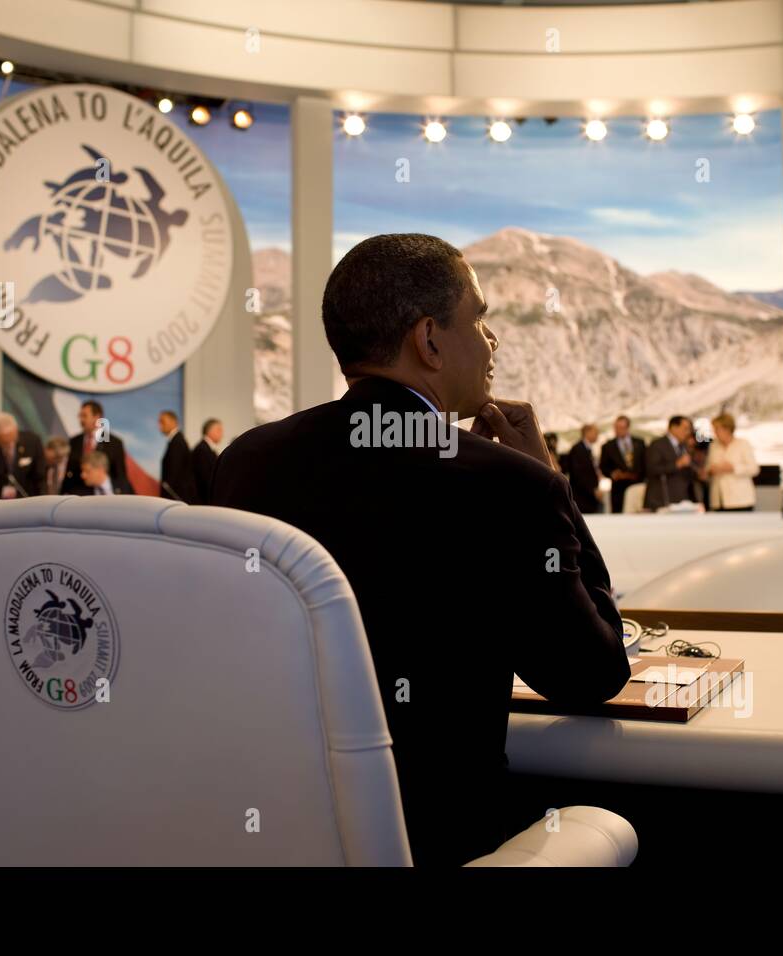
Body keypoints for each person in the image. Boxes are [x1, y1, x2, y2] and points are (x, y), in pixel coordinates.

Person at [211, 233, 628, 866]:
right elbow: (590, 675)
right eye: (480, 320)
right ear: (429, 340)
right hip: (445, 840)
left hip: (271, 837)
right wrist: (553, 485)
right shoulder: (508, 485)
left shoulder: (246, 462)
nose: (493, 342)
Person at [62, 401, 130, 495]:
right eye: (80, 416)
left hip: (104, 498)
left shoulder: (114, 443)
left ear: (97, 417)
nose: (81, 420)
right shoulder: (74, 442)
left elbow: (120, 475)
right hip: (78, 498)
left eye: (84, 416)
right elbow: (69, 473)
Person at [0, 413, 47, 499]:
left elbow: (40, 477)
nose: (9, 445)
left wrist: (41, 501)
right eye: (4, 443)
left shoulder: (32, 442)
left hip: (28, 498)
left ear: (16, 430)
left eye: (12, 440)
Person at [702, 413, 759, 511]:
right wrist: (710, 471)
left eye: (717, 429)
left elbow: (754, 469)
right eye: (714, 429)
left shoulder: (743, 444)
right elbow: (708, 467)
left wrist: (733, 468)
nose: (715, 432)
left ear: (727, 429)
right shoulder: (714, 446)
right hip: (718, 500)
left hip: (740, 500)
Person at [643, 415, 696, 510]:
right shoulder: (658, 445)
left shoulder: (684, 446)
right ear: (674, 428)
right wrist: (677, 464)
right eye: (685, 428)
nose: (688, 432)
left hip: (682, 500)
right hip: (661, 499)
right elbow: (652, 469)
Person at [598, 415, 645, 513]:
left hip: (637, 485)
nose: (618, 430)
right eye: (616, 428)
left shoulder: (640, 443)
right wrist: (612, 474)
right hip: (618, 489)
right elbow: (603, 467)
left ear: (627, 428)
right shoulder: (607, 446)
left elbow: (644, 463)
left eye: (621, 428)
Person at [158, 410, 198, 503]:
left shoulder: (177, 442)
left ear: (173, 422)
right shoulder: (175, 441)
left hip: (177, 498)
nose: (159, 426)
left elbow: (174, 475)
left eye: (162, 421)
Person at [565, 424, 602, 513]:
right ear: (587, 433)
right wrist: (592, 490)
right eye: (595, 432)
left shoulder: (587, 449)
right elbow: (578, 474)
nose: (597, 434)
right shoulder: (578, 449)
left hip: (588, 495)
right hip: (582, 496)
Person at [192, 418, 223, 504]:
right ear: (210, 431)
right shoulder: (202, 450)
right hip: (203, 502)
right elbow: (205, 479)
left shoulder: (208, 449)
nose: (222, 434)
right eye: (219, 430)